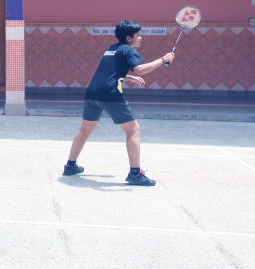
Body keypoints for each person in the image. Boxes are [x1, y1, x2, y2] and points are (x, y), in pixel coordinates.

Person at [62, 20, 175, 186]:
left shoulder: (111, 49)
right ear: (129, 38)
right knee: (133, 130)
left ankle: (70, 166)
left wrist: (127, 77)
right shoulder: (129, 50)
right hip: (110, 94)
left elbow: (110, 72)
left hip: (92, 92)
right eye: (138, 35)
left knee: (84, 130)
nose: (141, 38)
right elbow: (140, 69)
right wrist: (163, 59)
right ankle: (135, 173)